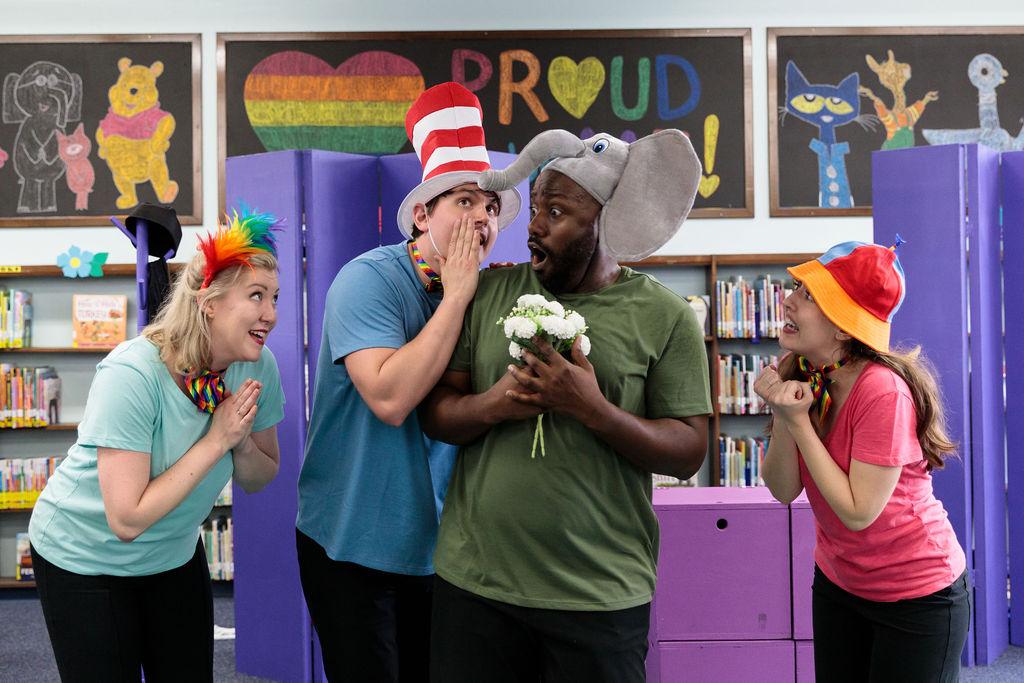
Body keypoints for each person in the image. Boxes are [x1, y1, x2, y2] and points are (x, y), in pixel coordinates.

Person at [419, 128, 710, 683]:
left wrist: (591, 407)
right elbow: (437, 414)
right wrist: (493, 406)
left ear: (604, 221)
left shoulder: (666, 317)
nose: (533, 226)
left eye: (556, 212)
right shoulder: (486, 294)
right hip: (476, 588)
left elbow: (688, 451)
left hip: (598, 598)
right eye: (535, 208)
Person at [294, 82, 521, 682]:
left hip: (441, 550)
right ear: (422, 214)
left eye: (492, 207)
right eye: (465, 202)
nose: (482, 219)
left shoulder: (491, 294)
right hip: (351, 542)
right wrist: (459, 298)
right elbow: (391, 398)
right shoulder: (367, 281)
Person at [28, 209, 286, 682]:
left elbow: (260, 476)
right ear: (209, 301)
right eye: (256, 296)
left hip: (173, 555)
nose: (270, 314)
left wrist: (242, 441)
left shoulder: (257, 365)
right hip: (85, 556)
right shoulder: (133, 373)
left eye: (274, 298)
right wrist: (217, 439)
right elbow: (126, 519)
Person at [753, 240, 969, 682]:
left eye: (809, 295)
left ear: (844, 329)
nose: (788, 299)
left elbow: (857, 512)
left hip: (918, 595)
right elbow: (782, 489)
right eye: (796, 286)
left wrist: (798, 423)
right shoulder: (801, 369)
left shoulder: (882, 391)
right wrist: (783, 412)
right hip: (840, 584)